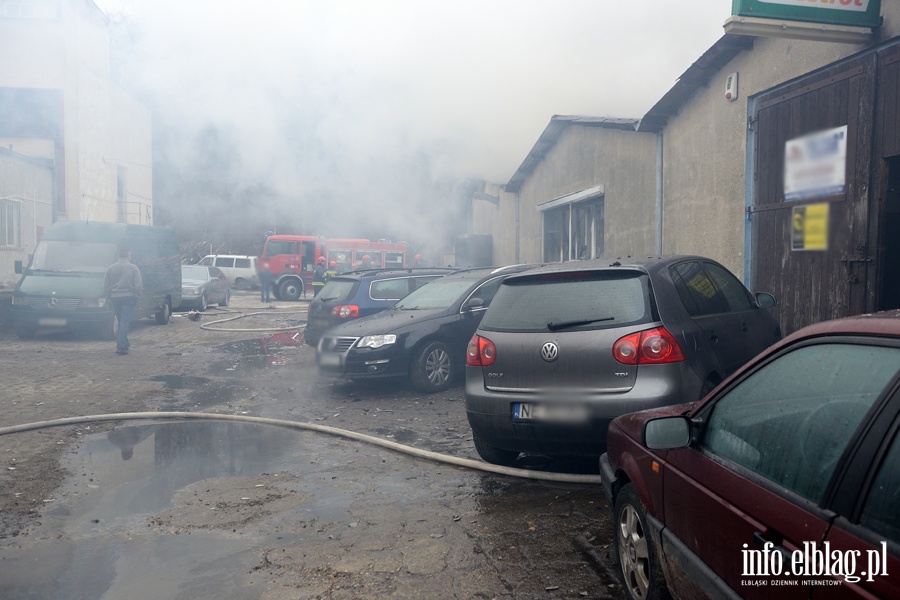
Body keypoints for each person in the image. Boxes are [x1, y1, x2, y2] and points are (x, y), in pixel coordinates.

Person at [103, 247, 142, 355]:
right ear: (129, 255)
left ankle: (124, 343)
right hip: (129, 297)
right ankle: (121, 346)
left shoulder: (111, 268)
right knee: (124, 321)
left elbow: (106, 284)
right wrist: (137, 296)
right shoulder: (133, 268)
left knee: (121, 321)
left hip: (115, 298)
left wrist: (109, 295)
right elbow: (138, 285)